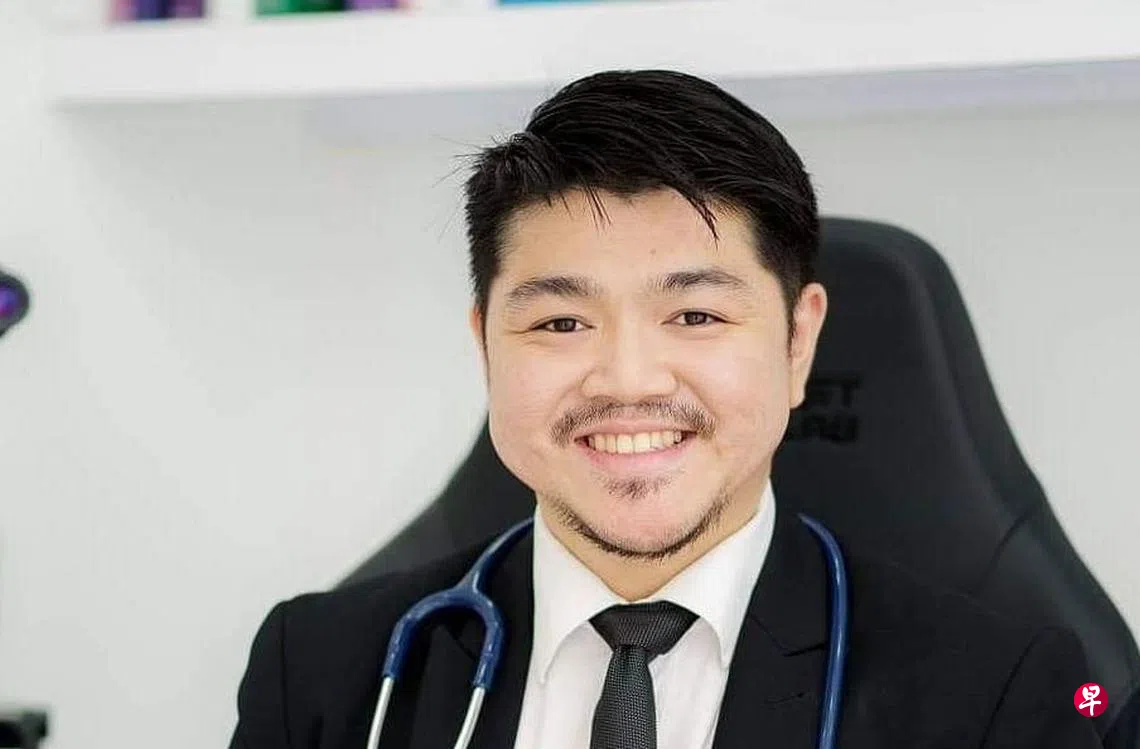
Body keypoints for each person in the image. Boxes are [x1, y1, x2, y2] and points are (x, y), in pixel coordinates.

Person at [229, 70, 1102, 749]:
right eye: (561, 322)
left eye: (695, 315)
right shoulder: (320, 671)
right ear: (485, 345)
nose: (627, 380)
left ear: (798, 342)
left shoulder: (998, 696)